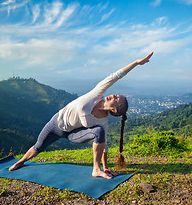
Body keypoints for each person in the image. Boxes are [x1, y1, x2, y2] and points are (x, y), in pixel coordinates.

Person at [9, 52, 154, 179]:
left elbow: (104, 146)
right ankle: (21, 161)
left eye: (117, 99)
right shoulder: (97, 94)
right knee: (38, 147)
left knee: (99, 132)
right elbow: (115, 77)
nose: (115, 95)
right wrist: (136, 63)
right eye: (117, 95)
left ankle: (96, 170)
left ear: (115, 110)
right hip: (56, 123)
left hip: (73, 133)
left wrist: (104, 167)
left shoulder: (103, 121)